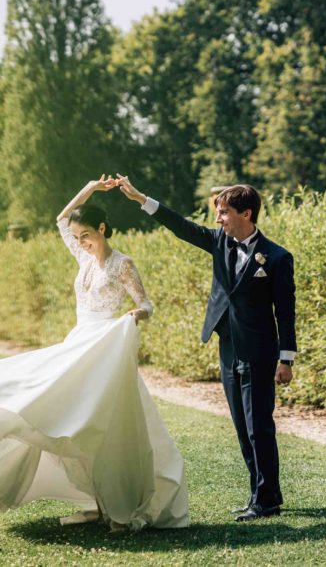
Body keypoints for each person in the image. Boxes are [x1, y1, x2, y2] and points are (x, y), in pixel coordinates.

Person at [0, 175, 190, 532]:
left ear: (102, 229)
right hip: (77, 344)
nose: (81, 243)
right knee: (58, 411)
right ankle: (96, 502)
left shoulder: (122, 264)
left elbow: (146, 304)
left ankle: (117, 503)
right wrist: (89, 187)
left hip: (104, 349)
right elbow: (60, 219)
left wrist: (134, 315)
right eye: (77, 239)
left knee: (103, 424)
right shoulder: (82, 257)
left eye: (85, 236)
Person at [116, 175, 296, 521]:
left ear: (246, 213)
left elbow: (285, 312)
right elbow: (180, 226)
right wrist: (142, 199)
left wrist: (285, 358)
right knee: (243, 427)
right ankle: (259, 494)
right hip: (227, 348)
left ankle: (267, 500)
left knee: (260, 426)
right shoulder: (219, 243)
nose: (218, 219)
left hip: (259, 351)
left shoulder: (275, 258)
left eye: (224, 212)